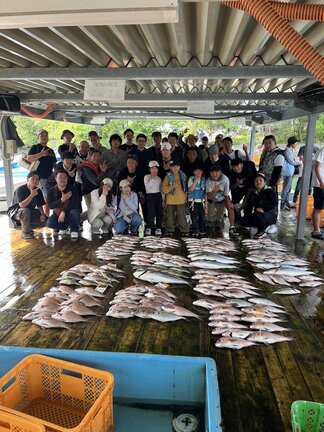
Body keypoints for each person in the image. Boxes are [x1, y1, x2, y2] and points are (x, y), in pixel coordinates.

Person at [26, 130, 57, 213]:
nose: (44, 137)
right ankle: (45, 217)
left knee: (49, 199)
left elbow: (55, 165)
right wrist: (41, 154)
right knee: (45, 199)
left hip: (50, 178)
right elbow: (29, 159)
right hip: (39, 178)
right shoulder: (35, 147)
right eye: (42, 135)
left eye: (46, 135)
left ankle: (46, 217)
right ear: (38, 137)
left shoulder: (51, 150)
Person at [9, 171, 46, 240]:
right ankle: (25, 232)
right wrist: (32, 195)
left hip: (29, 212)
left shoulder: (38, 191)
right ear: (28, 179)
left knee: (46, 219)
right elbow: (22, 205)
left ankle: (28, 228)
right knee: (25, 210)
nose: (35, 181)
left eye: (37, 179)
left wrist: (42, 214)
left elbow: (40, 204)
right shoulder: (20, 189)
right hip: (16, 212)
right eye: (33, 178)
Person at [241, 173, 278, 239]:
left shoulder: (270, 191)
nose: (258, 182)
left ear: (265, 182)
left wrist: (263, 209)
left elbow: (273, 203)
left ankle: (262, 231)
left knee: (258, 216)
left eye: (260, 180)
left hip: (270, 214)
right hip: (258, 214)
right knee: (244, 221)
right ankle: (265, 225)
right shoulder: (253, 192)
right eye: (256, 181)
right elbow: (250, 205)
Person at [46, 170, 81, 239]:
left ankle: (74, 229)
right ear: (56, 179)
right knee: (49, 223)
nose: (63, 179)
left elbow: (76, 203)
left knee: (75, 211)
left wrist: (64, 212)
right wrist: (62, 199)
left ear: (67, 178)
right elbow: (50, 205)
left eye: (65, 177)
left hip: (70, 213)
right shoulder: (51, 191)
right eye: (60, 177)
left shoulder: (73, 189)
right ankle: (64, 227)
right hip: (58, 214)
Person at [205, 164, 238, 235]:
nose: (214, 174)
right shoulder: (208, 181)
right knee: (209, 220)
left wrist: (229, 204)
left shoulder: (225, 179)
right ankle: (210, 221)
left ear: (220, 172)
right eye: (212, 172)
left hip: (222, 198)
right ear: (210, 173)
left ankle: (231, 226)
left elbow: (226, 195)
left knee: (229, 208)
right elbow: (209, 195)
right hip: (212, 199)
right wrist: (215, 190)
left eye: (217, 172)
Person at [162, 158, 189, 236]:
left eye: (177, 166)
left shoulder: (183, 175)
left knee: (182, 216)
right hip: (170, 200)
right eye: (173, 166)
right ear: (170, 167)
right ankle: (170, 230)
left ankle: (184, 230)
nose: (175, 168)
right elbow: (163, 189)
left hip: (181, 199)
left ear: (179, 167)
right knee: (169, 217)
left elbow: (187, 187)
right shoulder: (168, 176)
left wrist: (187, 197)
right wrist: (171, 187)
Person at [281, 137, 302, 210]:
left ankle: (285, 203)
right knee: (286, 188)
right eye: (296, 143)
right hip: (288, 172)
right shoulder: (287, 151)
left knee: (288, 188)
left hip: (290, 172)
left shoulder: (289, 150)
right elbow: (291, 161)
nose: (296, 144)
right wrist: (299, 163)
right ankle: (283, 204)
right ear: (292, 144)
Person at [144, 160, 163, 236]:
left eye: (156, 168)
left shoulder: (159, 179)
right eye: (152, 168)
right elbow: (147, 187)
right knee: (150, 212)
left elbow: (161, 189)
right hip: (150, 196)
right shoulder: (146, 177)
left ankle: (158, 227)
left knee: (159, 212)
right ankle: (149, 227)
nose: (154, 170)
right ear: (149, 169)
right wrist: (153, 179)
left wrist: (163, 198)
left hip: (158, 195)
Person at [188, 166, 206, 236]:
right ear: (194, 172)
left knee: (202, 216)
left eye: (200, 171)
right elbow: (190, 189)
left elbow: (205, 192)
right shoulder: (191, 179)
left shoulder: (204, 180)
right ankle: (195, 230)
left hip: (201, 201)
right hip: (193, 201)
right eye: (196, 171)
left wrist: (206, 203)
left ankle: (202, 229)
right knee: (194, 216)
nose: (198, 173)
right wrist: (195, 181)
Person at [311, 146, 324, 240]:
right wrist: (321, 182)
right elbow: (317, 167)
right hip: (320, 185)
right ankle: (316, 231)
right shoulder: (322, 150)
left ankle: (317, 229)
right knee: (318, 208)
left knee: (319, 208)